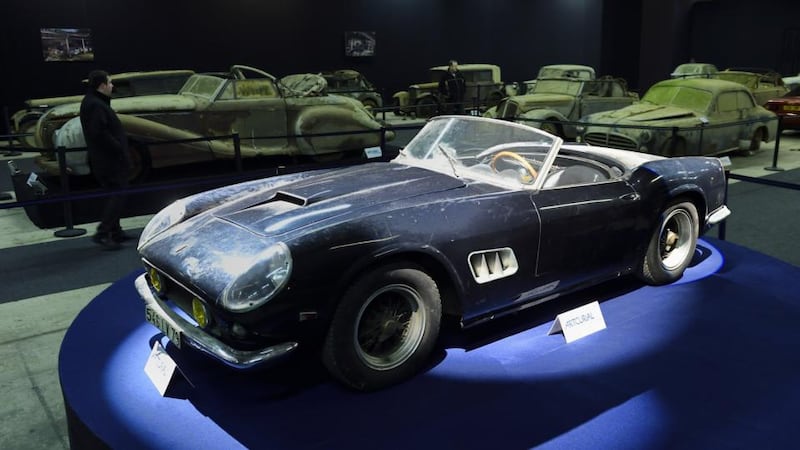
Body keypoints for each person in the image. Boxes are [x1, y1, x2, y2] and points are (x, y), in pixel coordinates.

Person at [80, 70, 131, 250]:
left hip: (105, 158)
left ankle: (116, 231)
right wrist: (118, 147)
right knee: (117, 194)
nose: (112, 86)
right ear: (102, 85)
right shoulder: (95, 104)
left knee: (115, 193)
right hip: (109, 159)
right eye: (109, 83)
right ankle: (103, 232)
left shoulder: (94, 102)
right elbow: (99, 133)